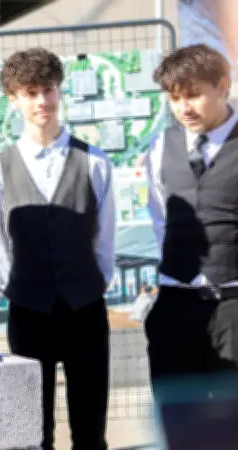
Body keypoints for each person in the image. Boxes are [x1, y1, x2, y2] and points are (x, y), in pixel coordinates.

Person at [0, 47, 116, 450]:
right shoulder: (0, 166)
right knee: (33, 428)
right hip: (28, 310)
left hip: (85, 308)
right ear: (13, 99)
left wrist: (91, 284)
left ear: (60, 90)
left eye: (48, 89)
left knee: (90, 427)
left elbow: (105, 238)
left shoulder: (94, 162)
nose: (42, 101)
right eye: (30, 92)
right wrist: (15, 287)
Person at [144, 44, 238, 385]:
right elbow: (160, 218)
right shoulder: (160, 147)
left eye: (194, 95)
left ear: (223, 86)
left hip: (233, 306)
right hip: (175, 307)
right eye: (174, 98)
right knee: (178, 412)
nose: (184, 108)